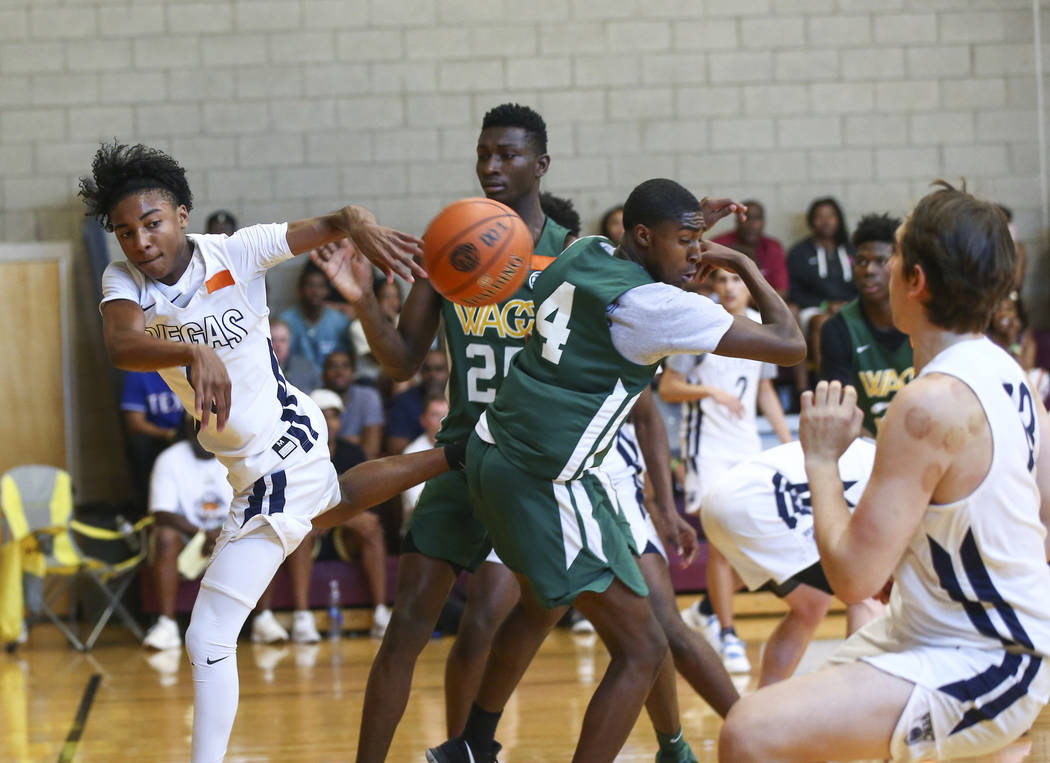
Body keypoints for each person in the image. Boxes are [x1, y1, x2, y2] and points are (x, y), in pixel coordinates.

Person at [424, 178, 805, 763]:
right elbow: (790, 343)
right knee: (645, 649)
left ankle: (470, 745)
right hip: (546, 479)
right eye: (686, 243)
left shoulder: (583, 252)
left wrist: (686, 231)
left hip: (496, 452)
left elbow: (635, 241)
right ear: (645, 236)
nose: (698, 256)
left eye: (698, 242)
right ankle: (475, 746)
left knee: (542, 605)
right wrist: (747, 267)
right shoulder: (655, 307)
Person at [81, 139, 431, 762]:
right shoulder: (124, 281)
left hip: (281, 446)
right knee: (331, 504)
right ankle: (457, 453)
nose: (141, 242)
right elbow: (121, 345)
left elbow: (335, 221)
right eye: (125, 232)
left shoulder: (236, 252)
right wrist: (193, 350)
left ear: (183, 215)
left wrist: (360, 223)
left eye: (153, 224)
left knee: (210, 634)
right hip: (246, 461)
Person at [719, 183, 1050, 762]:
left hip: (985, 653)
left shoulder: (928, 403)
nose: (883, 267)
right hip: (955, 633)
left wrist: (820, 458)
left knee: (750, 731)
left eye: (894, 254)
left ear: (916, 281)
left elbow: (850, 579)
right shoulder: (1010, 371)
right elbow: (1039, 514)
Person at [313, 103, 577, 761]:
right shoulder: (451, 244)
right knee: (405, 626)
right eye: (484, 152)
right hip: (459, 458)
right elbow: (401, 362)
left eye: (507, 154)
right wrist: (363, 299)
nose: (491, 165)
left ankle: (467, 753)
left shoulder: (574, 255)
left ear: (540, 164)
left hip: (531, 470)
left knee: (485, 621)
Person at [661, 267, 793, 674]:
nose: (729, 287)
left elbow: (764, 389)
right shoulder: (702, 324)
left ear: (750, 287)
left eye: (737, 280)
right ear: (713, 287)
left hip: (748, 446)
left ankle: (705, 607)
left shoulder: (760, 328)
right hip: (708, 448)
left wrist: (789, 443)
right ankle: (729, 633)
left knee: (765, 541)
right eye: (721, 280)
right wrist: (710, 390)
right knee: (722, 542)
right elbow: (668, 387)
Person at [700, 438, 882, 686]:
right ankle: (859, 694)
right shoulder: (898, 476)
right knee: (865, 591)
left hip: (720, 501)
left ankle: (766, 702)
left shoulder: (873, 454)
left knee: (812, 605)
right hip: (759, 503)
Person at [142, 417, 232, 651]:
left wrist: (219, 534)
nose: (204, 430)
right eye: (198, 425)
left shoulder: (237, 456)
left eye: (210, 425)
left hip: (231, 535)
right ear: (188, 429)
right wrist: (203, 533)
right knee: (164, 537)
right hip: (188, 539)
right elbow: (161, 513)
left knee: (264, 531)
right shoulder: (170, 459)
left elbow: (252, 505)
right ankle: (167, 625)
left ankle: (264, 620)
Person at [820, 213, 913, 437]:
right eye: (862, 261)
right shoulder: (838, 328)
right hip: (867, 450)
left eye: (881, 261)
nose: (868, 270)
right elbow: (840, 412)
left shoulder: (926, 320)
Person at [311, 388, 390, 638]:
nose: (330, 422)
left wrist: (334, 518)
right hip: (308, 533)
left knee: (371, 527)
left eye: (334, 416)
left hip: (344, 531)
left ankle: (380, 611)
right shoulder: (296, 452)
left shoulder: (353, 453)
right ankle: (302, 617)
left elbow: (367, 507)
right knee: (299, 532)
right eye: (323, 415)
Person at [278, 261, 355, 385]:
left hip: (332, 385)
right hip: (295, 385)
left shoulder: (339, 321)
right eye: (310, 286)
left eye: (320, 286)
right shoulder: (286, 321)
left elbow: (349, 360)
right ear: (300, 289)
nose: (315, 292)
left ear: (327, 290)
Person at [121, 369, 184, 505]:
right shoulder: (139, 375)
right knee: (139, 444)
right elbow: (135, 423)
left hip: (194, 435)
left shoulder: (189, 369)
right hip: (160, 438)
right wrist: (169, 435)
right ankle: (149, 510)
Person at [711, 199, 788, 298]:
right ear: (737, 220)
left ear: (763, 222)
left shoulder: (773, 247)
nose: (752, 225)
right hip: (723, 303)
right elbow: (697, 282)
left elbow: (782, 291)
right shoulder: (719, 244)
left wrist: (743, 298)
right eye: (747, 217)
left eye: (757, 218)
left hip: (762, 307)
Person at [320, 349, 385, 460]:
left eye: (345, 366)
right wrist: (355, 440)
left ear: (353, 372)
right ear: (323, 375)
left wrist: (337, 442)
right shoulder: (313, 398)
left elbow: (371, 451)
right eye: (332, 367)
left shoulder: (369, 397)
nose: (339, 372)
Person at [384, 349, 449, 455]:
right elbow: (396, 448)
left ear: (449, 370)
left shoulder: (460, 396)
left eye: (439, 369)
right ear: (420, 372)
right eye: (427, 369)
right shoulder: (404, 401)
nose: (432, 374)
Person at [401, 393, 450, 527]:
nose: (442, 420)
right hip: (421, 529)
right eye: (435, 415)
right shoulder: (411, 454)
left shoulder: (462, 446)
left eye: (447, 414)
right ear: (423, 420)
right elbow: (418, 505)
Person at [269, 317, 321, 396]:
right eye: (273, 340)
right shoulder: (257, 368)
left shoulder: (306, 368)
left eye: (283, 340)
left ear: (289, 342)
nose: (278, 345)